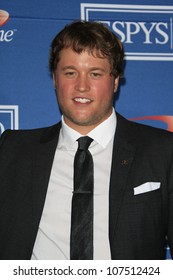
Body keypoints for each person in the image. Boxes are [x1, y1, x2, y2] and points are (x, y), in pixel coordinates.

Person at [0, 20, 173, 260]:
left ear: (114, 82)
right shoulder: (11, 150)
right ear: (54, 79)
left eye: (95, 74)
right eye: (70, 73)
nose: (81, 86)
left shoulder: (162, 151)